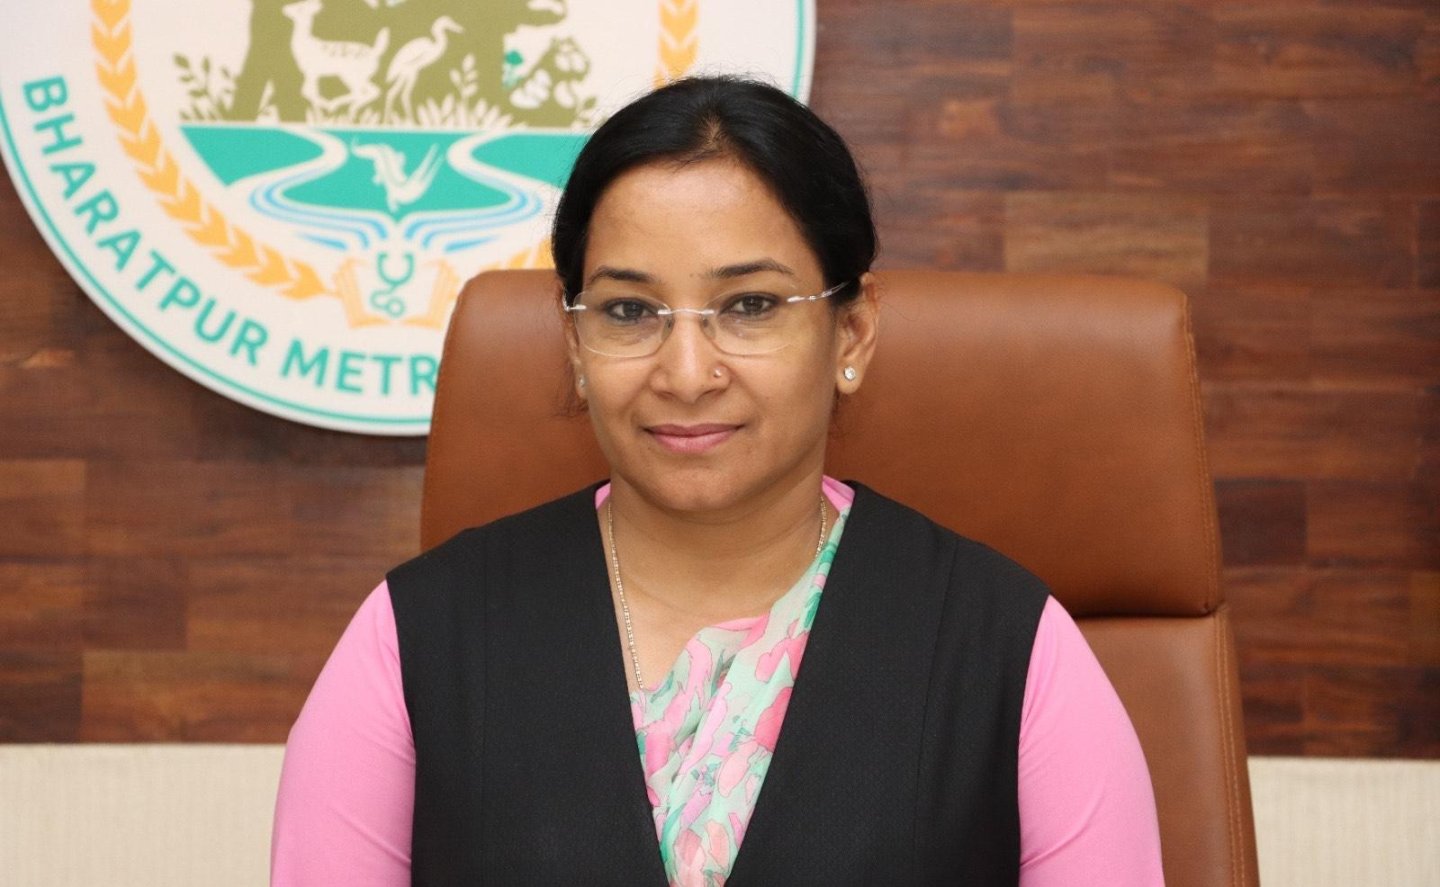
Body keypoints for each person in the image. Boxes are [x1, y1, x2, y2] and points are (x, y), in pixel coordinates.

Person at [271, 75, 1164, 886]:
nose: (688, 372)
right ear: (575, 343)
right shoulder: (413, 641)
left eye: (750, 306)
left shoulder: (1009, 650)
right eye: (630, 310)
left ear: (851, 334)